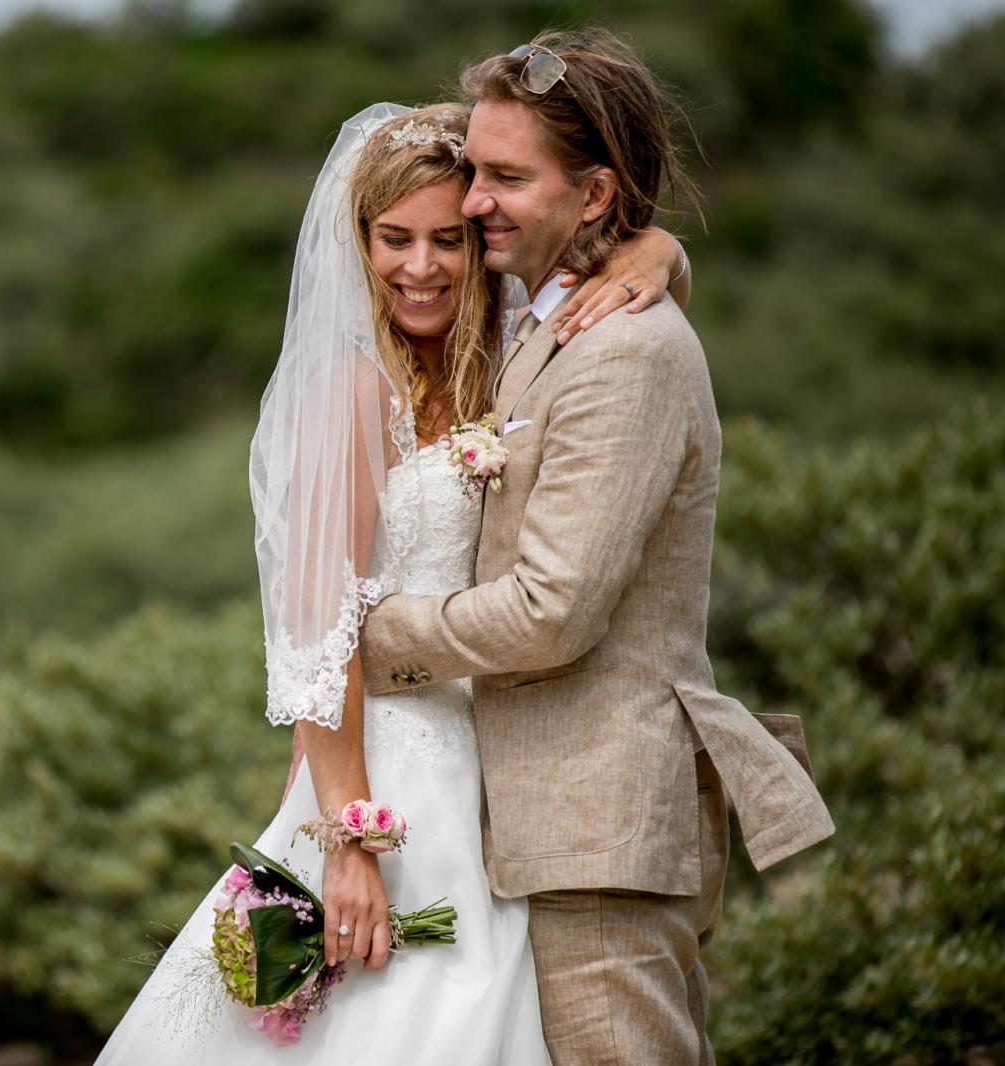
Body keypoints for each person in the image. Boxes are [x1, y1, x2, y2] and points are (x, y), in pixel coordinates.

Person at [94, 97, 687, 1064]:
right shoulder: (353, 391)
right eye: (393, 239)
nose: (422, 268)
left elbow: (612, 273)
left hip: (499, 766)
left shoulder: (505, 356)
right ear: (358, 242)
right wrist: (350, 842)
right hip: (390, 780)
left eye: (448, 239)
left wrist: (659, 251)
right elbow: (317, 635)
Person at [355, 30, 835, 1065]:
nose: (474, 199)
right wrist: (659, 249)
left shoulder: (625, 350)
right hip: (536, 827)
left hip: (599, 828)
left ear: (593, 194)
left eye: (505, 177)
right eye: (474, 171)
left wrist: (373, 636)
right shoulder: (550, 316)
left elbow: (551, 609)